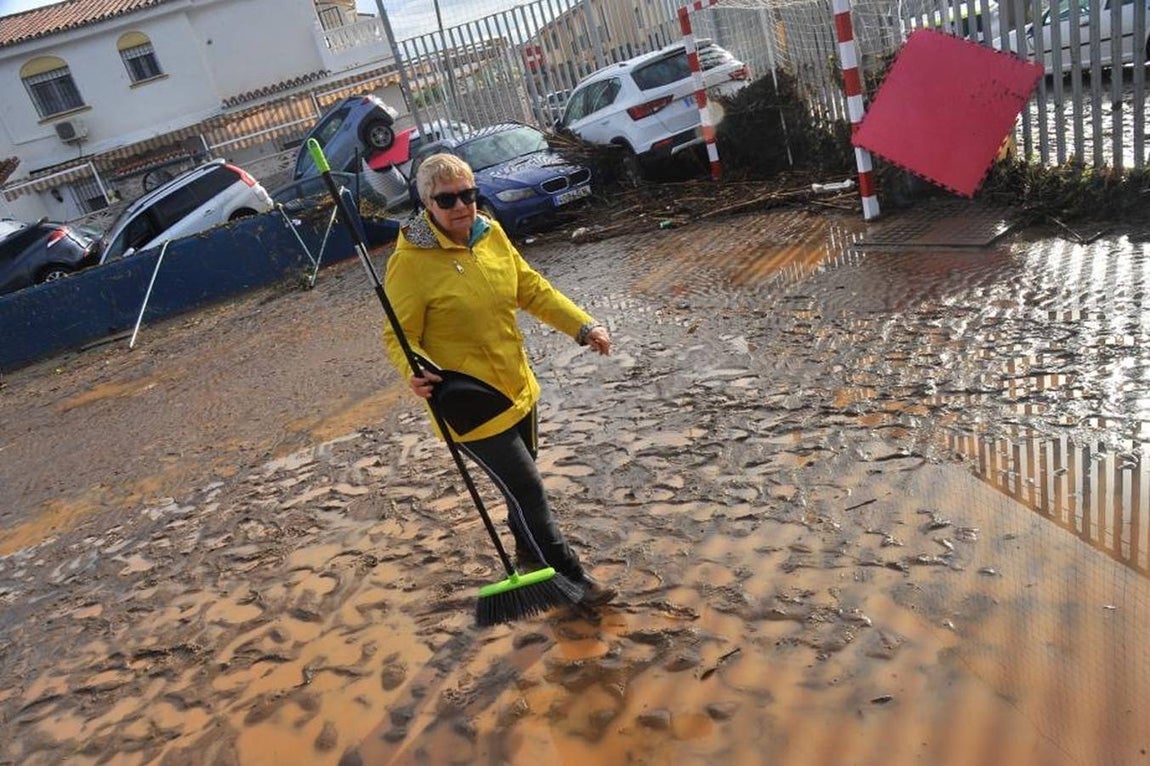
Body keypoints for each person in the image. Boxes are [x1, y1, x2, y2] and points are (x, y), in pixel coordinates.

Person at [381, 153, 617, 608]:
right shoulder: (409, 263)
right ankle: (573, 581)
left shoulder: (491, 234)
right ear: (426, 203)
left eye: (468, 194)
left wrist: (582, 327)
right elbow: (399, 333)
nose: (460, 206)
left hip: (517, 387)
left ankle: (529, 559)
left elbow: (529, 288)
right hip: (469, 404)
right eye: (446, 198)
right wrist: (415, 367)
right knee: (528, 488)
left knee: (519, 489)